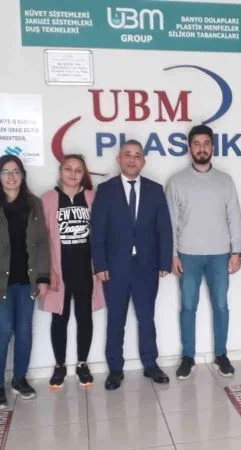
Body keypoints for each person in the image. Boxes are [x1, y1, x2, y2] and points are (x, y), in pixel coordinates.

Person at [91, 140, 173, 390]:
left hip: (147, 267)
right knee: (116, 319)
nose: (132, 159)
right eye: (127, 154)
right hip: (115, 267)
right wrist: (100, 264)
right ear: (119, 159)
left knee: (146, 318)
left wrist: (165, 261)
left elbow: (164, 229)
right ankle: (115, 369)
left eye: (137, 155)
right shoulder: (105, 190)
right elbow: (98, 231)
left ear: (143, 161)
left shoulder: (155, 190)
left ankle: (151, 364)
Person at [166, 124, 241, 379]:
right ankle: (188, 357)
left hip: (220, 255)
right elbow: (170, 222)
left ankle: (221, 355)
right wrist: (172, 254)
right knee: (188, 306)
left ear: (212, 147)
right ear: (190, 148)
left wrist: (236, 252)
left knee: (221, 305)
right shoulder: (177, 182)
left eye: (206, 143)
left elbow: (234, 217)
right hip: (187, 255)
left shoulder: (225, 181)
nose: (202, 148)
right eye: (197, 144)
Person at [0, 155, 50, 410]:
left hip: (27, 280)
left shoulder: (34, 203)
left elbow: (42, 243)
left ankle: (19, 379)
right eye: (6, 172)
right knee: (3, 330)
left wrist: (42, 277)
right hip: (0, 282)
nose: (11, 176)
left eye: (16, 171)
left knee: (24, 330)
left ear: (22, 175)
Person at [40, 154, 105, 389]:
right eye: (68, 168)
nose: (73, 174)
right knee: (60, 318)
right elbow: (41, 239)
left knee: (84, 317)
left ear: (83, 174)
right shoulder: (47, 199)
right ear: (60, 171)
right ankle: (59, 365)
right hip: (59, 271)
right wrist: (48, 271)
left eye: (78, 170)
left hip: (85, 269)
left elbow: (101, 234)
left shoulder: (92, 197)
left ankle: (82, 364)